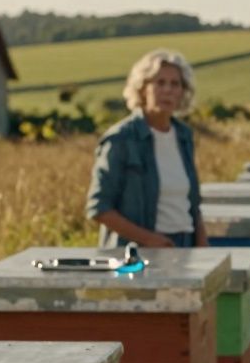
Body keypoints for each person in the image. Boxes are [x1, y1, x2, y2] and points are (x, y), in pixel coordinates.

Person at [85, 49, 207, 248]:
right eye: (159, 83)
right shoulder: (121, 139)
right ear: (142, 88)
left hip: (185, 246)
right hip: (136, 253)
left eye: (175, 84)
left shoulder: (184, 136)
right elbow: (98, 208)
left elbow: (192, 204)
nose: (167, 90)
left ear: (183, 92)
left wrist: (203, 248)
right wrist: (148, 239)